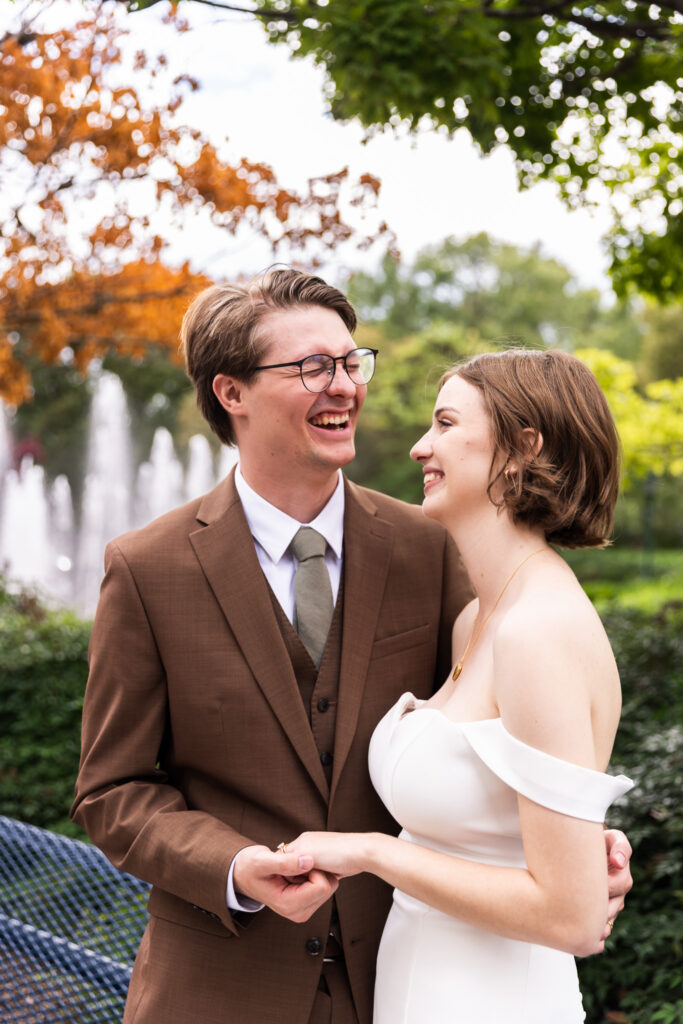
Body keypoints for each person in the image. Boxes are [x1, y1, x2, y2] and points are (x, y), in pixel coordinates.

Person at [70, 272, 632, 1024]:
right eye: (311, 368)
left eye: (348, 362)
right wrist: (234, 867)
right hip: (217, 991)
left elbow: (500, 723)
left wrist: (571, 833)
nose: (343, 387)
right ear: (230, 392)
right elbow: (112, 790)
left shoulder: (429, 547)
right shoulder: (147, 567)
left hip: (402, 983)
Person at [284, 348, 635, 1023]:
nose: (421, 447)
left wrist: (369, 851)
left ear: (519, 449)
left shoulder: (536, 632)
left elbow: (571, 918)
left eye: (445, 424)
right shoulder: (477, 618)